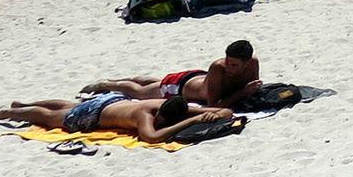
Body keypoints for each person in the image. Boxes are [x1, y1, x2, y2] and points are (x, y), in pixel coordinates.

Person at [0, 93, 229, 143]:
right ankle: (10, 113)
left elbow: (227, 112)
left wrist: (208, 114)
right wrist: (192, 122)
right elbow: (150, 137)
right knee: (51, 118)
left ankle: (24, 102)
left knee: (68, 106)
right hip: (95, 115)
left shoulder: (174, 106)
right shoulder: (147, 113)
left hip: (112, 102)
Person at [82, 39, 262, 105]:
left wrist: (247, 92)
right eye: (228, 63)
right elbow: (214, 104)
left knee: (155, 82)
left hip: (196, 79)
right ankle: (107, 84)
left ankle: (127, 78)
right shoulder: (218, 67)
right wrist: (242, 92)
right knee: (141, 92)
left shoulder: (253, 62)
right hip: (181, 87)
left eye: (234, 65)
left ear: (246, 63)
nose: (229, 68)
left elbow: (252, 89)